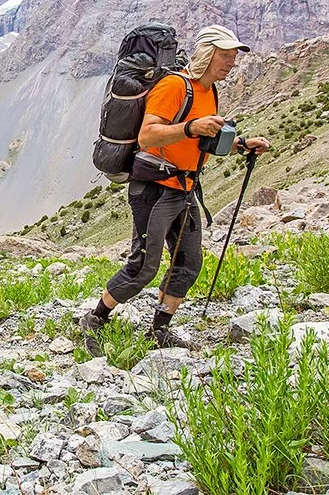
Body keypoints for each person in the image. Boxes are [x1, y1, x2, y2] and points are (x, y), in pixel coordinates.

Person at [80, 25, 270, 353]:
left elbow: (203, 140)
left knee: (188, 261)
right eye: (225, 55)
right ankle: (96, 318)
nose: (231, 62)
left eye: (234, 57)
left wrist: (240, 144)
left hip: (184, 189)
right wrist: (190, 126)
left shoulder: (209, 91)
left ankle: (159, 329)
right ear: (208, 53)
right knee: (144, 265)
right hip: (153, 188)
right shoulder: (174, 86)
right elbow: (148, 136)